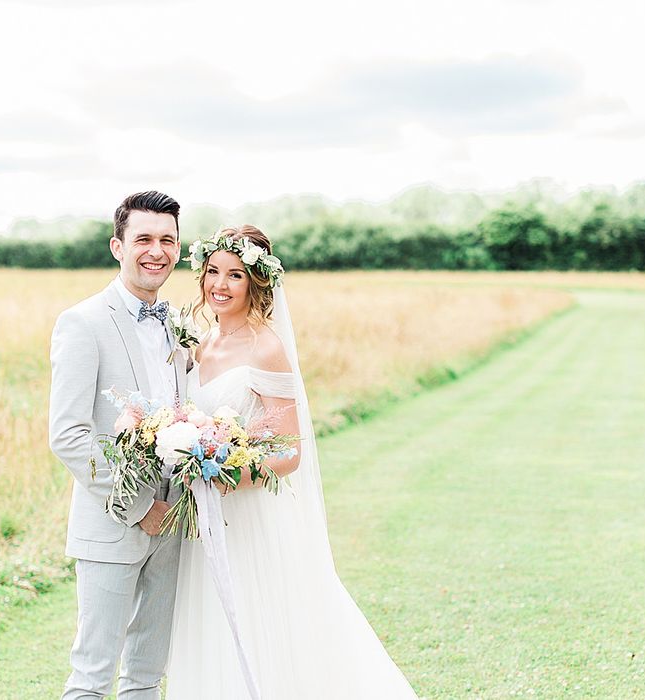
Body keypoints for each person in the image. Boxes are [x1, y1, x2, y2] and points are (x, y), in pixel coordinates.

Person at [166, 225, 418, 699]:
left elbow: (288, 451)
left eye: (234, 275)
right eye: (212, 272)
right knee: (212, 623)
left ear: (255, 283)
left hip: (250, 513)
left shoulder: (266, 346)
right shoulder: (198, 343)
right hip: (208, 518)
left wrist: (225, 475)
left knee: (268, 623)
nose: (218, 284)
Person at [49, 191, 187, 699]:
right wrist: (138, 506)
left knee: (148, 675)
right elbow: (67, 434)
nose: (156, 251)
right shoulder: (83, 322)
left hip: (176, 523)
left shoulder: (176, 323)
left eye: (167, 240)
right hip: (112, 523)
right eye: (143, 239)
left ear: (178, 248)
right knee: (92, 676)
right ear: (117, 246)